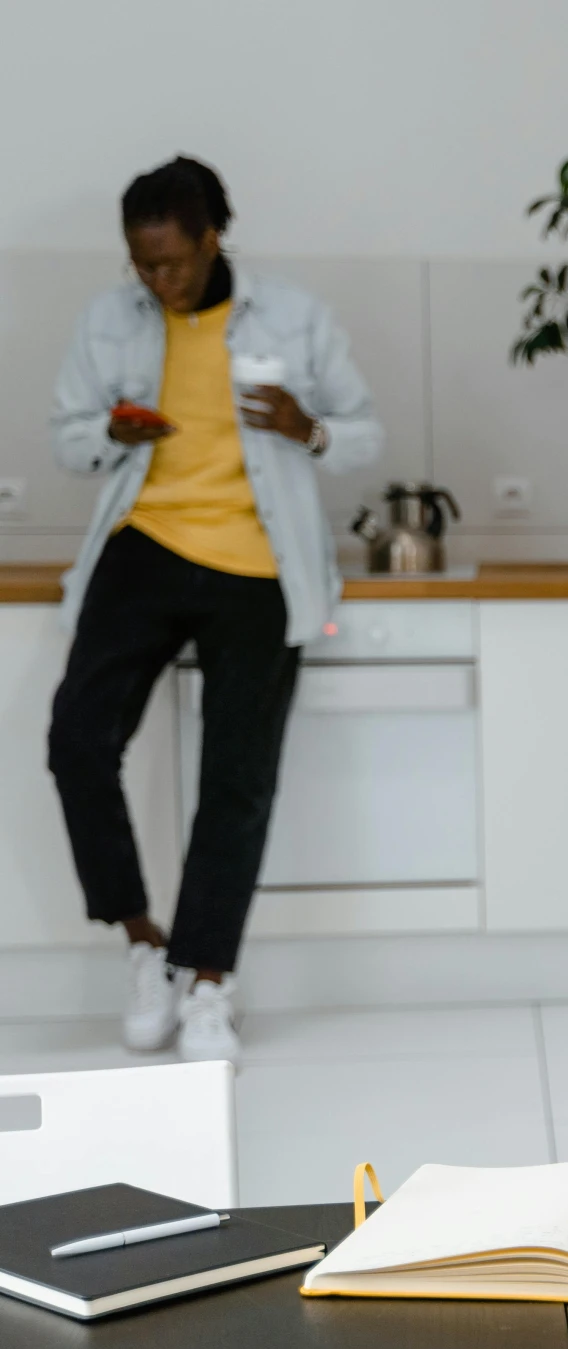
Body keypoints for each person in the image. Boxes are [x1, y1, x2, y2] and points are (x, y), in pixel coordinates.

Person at [48, 156, 381, 1061]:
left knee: (235, 778)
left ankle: (207, 980)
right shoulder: (110, 320)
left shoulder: (294, 317)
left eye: (173, 263)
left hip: (257, 566)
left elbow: (363, 432)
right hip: (144, 549)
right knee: (77, 738)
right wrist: (110, 431)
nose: (158, 282)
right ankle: (145, 944)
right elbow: (67, 435)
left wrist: (302, 426)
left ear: (211, 237)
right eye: (142, 265)